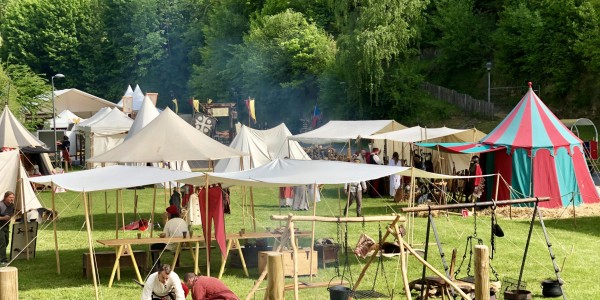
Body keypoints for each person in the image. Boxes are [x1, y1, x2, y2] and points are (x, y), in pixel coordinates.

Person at [151, 205, 187, 270]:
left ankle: (156, 266)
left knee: (153, 247)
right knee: (176, 245)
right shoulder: (183, 221)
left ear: (170, 214)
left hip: (173, 244)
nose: (167, 214)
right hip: (183, 243)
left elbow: (165, 236)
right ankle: (177, 263)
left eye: (168, 213)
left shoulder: (169, 223)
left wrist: (164, 221)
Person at [0, 191, 15, 264]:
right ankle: (3, 260)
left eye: (13, 197)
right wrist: (3, 218)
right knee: (2, 243)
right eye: (10, 197)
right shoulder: (0, 205)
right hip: (0, 227)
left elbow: (11, 213)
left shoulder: (12, 205)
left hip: (6, 226)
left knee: (6, 242)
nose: (12, 199)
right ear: (5, 197)